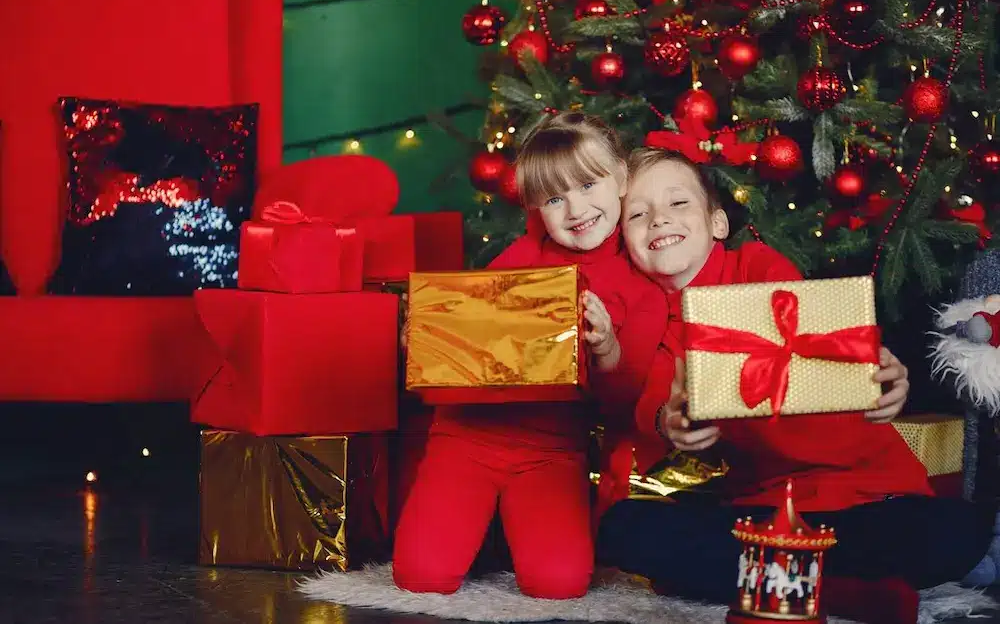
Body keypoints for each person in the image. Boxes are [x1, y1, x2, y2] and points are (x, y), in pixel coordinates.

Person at [595, 147, 996, 604]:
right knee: (624, 528)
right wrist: (673, 420)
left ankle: (785, 582)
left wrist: (880, 374)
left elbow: (823, 334)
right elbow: (656, 406)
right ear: (624, 242)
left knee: (948, 530)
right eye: (638, 214)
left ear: (718, 224)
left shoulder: (757, 267)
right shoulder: (655, 325)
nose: (660, 220)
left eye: (678, 203)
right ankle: (841, 591)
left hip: (868, 496)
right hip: (767, 510)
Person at [392, 113, 656, 599]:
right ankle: (475, 530)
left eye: (587, 184)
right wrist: (426, 340)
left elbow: (628, 399)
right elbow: (462, 338)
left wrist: (608, 350)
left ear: (621, 177)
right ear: (536, 205)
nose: (575, 208)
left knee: (558, 583)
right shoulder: (520, 255)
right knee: (420, 576)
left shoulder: (642, 281)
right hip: (465, 437)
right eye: (555, 198)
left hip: (552, 453)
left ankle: (500, 534)